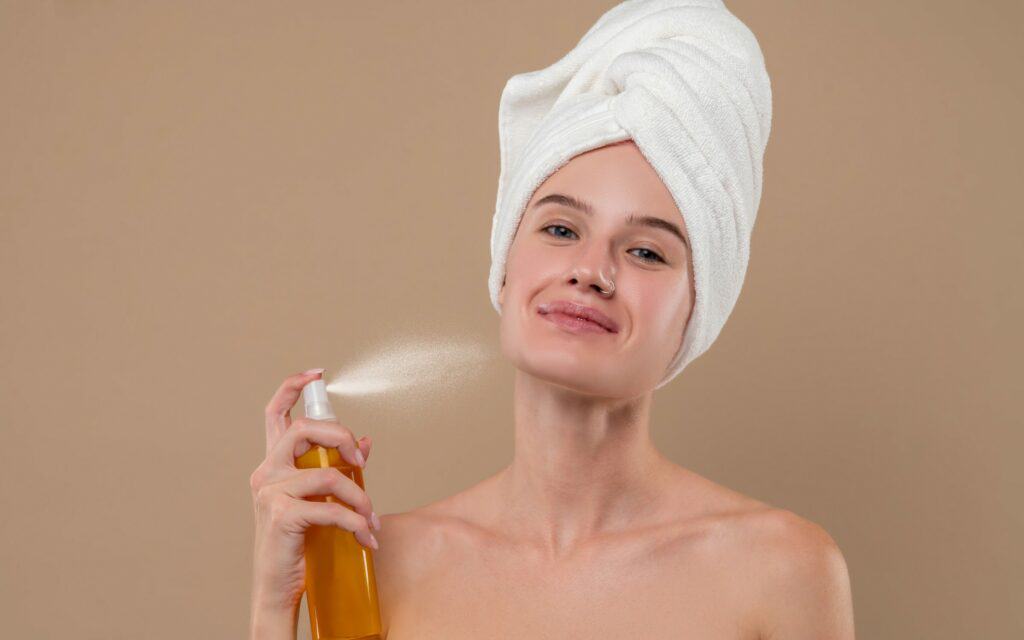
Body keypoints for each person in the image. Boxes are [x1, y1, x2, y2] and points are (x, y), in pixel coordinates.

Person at [249, 139, 855, 639]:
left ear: (698, 313)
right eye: (562, 229)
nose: (590, 271)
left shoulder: (780, 569)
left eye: (646, 251)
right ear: (505, 270)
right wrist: (273, 609)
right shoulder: (375, 560)